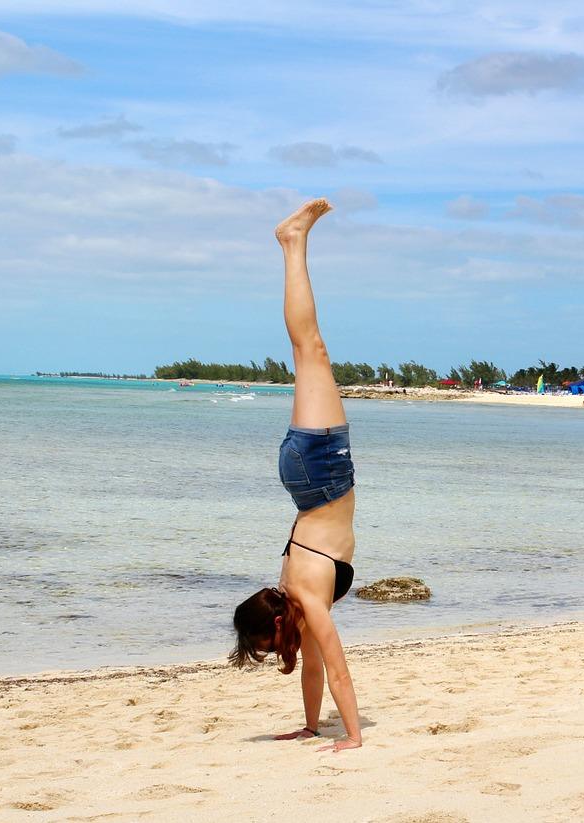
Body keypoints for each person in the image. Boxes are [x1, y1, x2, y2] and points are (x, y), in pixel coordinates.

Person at [230, 199, 362, 753]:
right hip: (305, 476)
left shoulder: (305, 598)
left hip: (322, 470)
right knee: (306, 353)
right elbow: (314, 669)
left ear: (277, 623)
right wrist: (311, 728)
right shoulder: (293, 598)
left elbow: (338, 670)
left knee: (311, 349)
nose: (270, 651)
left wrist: (352, 737)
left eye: (264, 645)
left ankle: (293, 242)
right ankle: (291, 243)